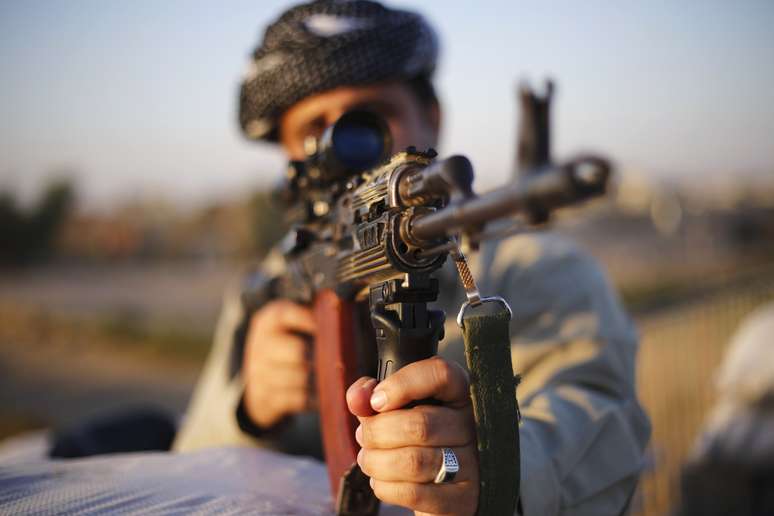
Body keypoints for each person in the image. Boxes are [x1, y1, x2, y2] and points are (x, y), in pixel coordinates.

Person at [173, 1, 651, 514]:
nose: (342, 147)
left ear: (432, 118)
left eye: (373, 116)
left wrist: (497, 469)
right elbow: (180, 469)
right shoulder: (268, 286)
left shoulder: (539, 269)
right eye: (313, 130)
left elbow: (606, 423)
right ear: (288, 158)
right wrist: (248, 412)